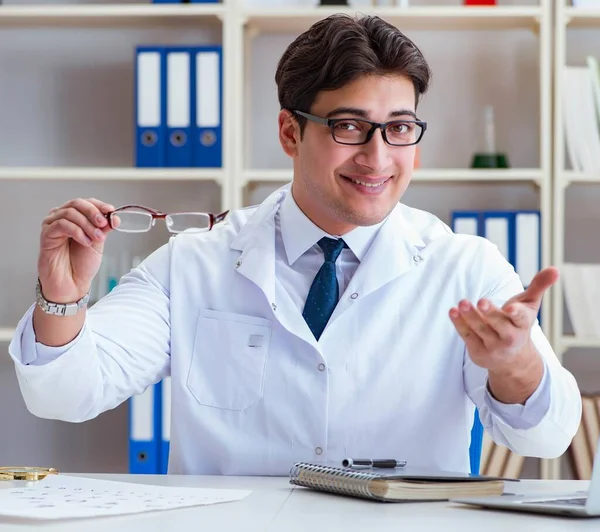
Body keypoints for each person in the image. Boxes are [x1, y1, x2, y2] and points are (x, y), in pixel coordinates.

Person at [9, 14, 580, 476]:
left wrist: (516, 365)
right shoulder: (194, 263)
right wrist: (61, 297)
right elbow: (65, 396)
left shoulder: (465, 268)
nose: (378, 158)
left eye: (399, 129)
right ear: (290, 132)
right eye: (349, 127)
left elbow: (549, 437)